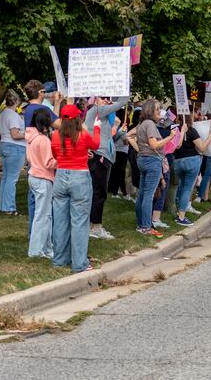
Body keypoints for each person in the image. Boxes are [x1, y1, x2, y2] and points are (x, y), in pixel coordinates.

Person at [50, 104, 100, 273]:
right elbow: (95, 144)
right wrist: (98, 129)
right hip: (80, 176)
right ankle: (79, 263)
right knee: (79, 221)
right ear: (77, 118)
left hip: (61, 177)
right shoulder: (83, 134)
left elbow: (57, 155)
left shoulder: (55, 136)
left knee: (60, 220)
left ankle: (60, 259)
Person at [84, 95, 129, 240]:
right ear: (95, 99)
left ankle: (92, 224)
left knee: (99, 192)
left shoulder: (103, 118)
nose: (106, 100)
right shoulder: (96, 110)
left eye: (107, 98)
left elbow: (110, 139)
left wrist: (118, 129)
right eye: (103, 98)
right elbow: (120, 102)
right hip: (98, 157)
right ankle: (95, 226)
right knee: (99, 192)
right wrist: (126, 81)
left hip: (105, 156)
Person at [131, 100, 177, 236]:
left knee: (142, 195)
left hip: (142, 160)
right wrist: (170, 137)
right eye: (157, 109)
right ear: (150, 110)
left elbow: (130, 136)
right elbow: (154, 145)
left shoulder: (142, 124)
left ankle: (141, 224)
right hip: (152, 161)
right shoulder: (150, 124)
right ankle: (146, 227)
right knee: (148, 195)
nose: (160, 111)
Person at [173, 114, 211, 227]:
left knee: (181, 186)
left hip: (177, 162)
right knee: (187, 189)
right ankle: (181, 216)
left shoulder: (174, 130)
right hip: (191, 161)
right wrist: (210, 136)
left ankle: (178, 210)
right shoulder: (191, 131)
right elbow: (202, 148)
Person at [26, 108, 56, 258]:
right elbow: (49, 162)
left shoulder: (31, 137)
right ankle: (36, 250)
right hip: (43, 178)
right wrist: (64, 160)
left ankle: (45, 248)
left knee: (45, 215)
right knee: (42, 216)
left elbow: (31, 159)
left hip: (35, 175)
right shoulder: (43, 140)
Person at [0, 90, 26, 215]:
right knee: (12, 179)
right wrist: (28, 134)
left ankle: (4, 205)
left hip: (4, 143)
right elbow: (15, 134)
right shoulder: (13, 115)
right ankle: (9, 207)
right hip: (14, 146)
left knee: (6, 177)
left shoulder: (3, 114)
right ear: (16, 101)